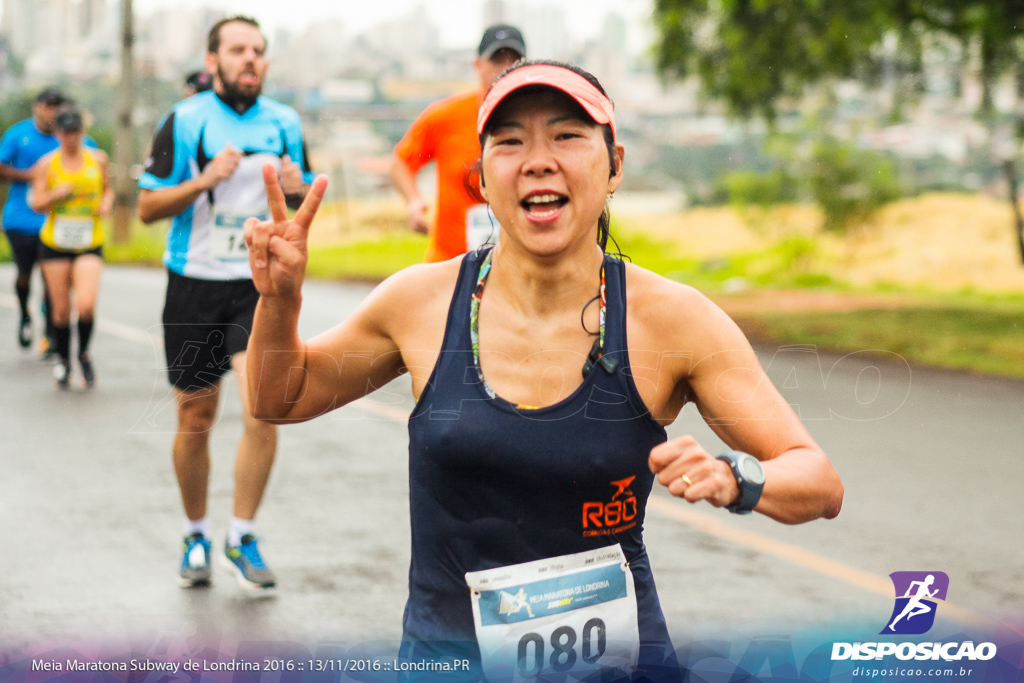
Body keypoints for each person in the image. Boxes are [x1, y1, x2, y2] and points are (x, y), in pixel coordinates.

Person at [243, 61, 844, 680]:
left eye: (567, 135)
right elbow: (277, 398)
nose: (537, 159)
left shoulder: (672, 321)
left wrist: (736, 478)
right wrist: (279, 299)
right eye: (509, 141)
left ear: (615, 166)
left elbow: (818, 481)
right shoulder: (418, 304)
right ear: (479, 178)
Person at [137, 15, 314, 592]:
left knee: (264, 407)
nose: (251, 60)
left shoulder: (285, 123)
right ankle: (195, 534)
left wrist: (296, 188)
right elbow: (147, 207)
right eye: (238, 50)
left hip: (258, 287)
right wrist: (204, 179)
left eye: (259, 50)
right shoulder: (185, 121)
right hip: (194, 282)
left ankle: (242, 535)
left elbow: (306, 203)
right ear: (213, 60)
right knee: (197, 415)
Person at [392, 24, 525, 262]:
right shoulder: (446, 116)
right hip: (449, 265)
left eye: (514, 61)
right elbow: (401, 162)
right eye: (497, 60)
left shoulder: (537, 123)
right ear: (478, 65)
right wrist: (414, 202)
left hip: (518, 267)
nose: (505, 68)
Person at [0, 87, 96, 355]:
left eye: (57, 106)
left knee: (52, 281)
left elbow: (97, 167)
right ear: (37, 107)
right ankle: (24, 314)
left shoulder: (73, 138)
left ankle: (50, 334)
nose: (52, 111)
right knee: (24, 274)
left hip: (60, 224)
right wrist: (30, 176)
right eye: (48, 105)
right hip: (21, 219)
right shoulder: (18, 135)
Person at [28, 106, 111, 389]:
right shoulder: (46, 164)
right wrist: (54, 195)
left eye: (76, 133)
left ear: (82, 133)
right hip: (55, 243)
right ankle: (63, 360)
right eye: (66, 133)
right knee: (61, 311)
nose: (72, 139)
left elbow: (108, 188)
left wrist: (106, 202)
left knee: (85, 305)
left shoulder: (98, 159)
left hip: (89, 241)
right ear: (59, 134)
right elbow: (35, 202)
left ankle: (83, 354)